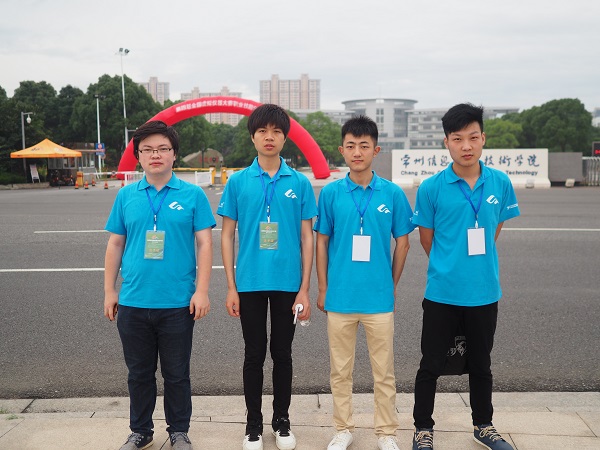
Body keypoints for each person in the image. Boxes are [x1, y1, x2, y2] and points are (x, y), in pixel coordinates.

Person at [411, 103, 520, 450]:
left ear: (483, 138)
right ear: (446, 142)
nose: (466, 146)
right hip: (442, 292)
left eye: (473, 137)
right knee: (431, 364)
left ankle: (483, 425)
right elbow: (426, 238)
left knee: (481, 364)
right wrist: (449, 265)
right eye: (457, 139)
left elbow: (494, 229)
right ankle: (423, 428)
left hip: (484, 291)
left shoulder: (500, 183)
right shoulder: (431, 187)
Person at [104, 120, 216, 450]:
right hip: (133, 301)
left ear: (174, 154)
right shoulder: (126, 195)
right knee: (138, 374)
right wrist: (110, 290)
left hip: (177, 302)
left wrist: (202, 291)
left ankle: (179, 431)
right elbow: (115, 244)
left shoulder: (193, 195)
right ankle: (140, 431)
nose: (156, 155)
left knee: (177, 374)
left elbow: (205, 244)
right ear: (138, 156)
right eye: (148, 149)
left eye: (163, 149)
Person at [218, 104, 317, 450]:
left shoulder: (299, 182)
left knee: (283, 353)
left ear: (285, 137)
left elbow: (307, 238)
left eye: (276, 131)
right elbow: (226, 235)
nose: (269, 137)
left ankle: (282, 420)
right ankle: (253, 425)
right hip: (249, 283)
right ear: (253, 137)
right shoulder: (238, 182)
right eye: (262, 131)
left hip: (288, 283)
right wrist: (231, 287)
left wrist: (305, 289)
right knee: (254, 354)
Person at [314, 115, 415, 450]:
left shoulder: (392, 193)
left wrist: (391, 284)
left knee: (383, 372)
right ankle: (343, 429)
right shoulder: (330, 193)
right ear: (341, 150)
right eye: (351, 146)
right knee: (340, 371)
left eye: (364, 146)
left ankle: (386, 433)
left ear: (376, 150)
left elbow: (404, 243)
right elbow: (321, 242)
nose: (357, 152)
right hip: (340, 297)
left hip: (378, 299)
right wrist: (323, 288)